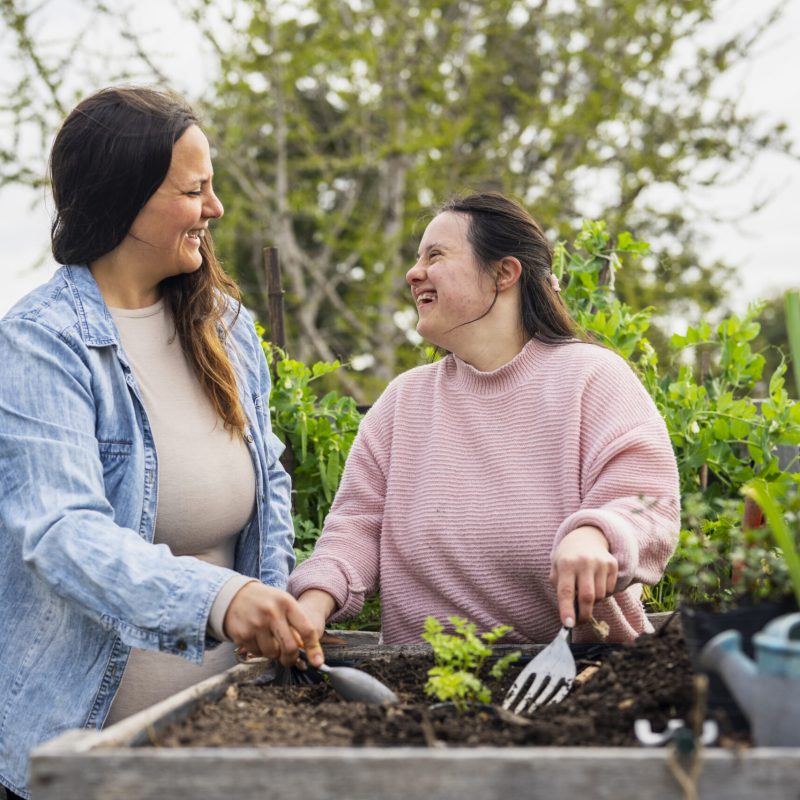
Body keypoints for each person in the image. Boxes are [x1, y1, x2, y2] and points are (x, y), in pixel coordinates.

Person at [0, 86, 322, 800]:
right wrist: (220, 598)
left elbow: (265, 489)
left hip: (222, 742)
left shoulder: (230, 330)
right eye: (195, 190)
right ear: (127, 199)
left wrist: (264, 615)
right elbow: (62, 533)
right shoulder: (40, 343)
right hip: (87, 757)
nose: (216, 209)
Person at [290, 192, 680, 647]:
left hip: (582, 674)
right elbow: (355, 528)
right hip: (421, 679)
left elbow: (648, 502)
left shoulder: (590, 377)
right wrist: (311, 605)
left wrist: (595, 535)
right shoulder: (403, 401)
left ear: (504, 273)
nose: (413, 274)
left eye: (435, 256)